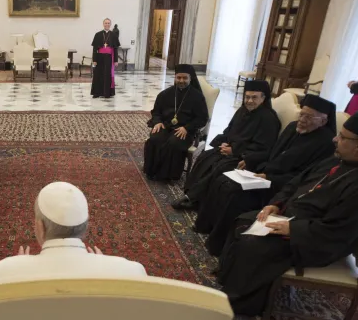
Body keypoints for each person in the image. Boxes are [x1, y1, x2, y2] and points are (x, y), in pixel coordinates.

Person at [217, 110, 358, 316]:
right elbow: (296, 183)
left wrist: (292, 228)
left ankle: (240, 304)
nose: (334, 139)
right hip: (294, 219)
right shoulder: (336, 161)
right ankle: (230, 279)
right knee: (243, 221)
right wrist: (277, 204)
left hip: (316, 241)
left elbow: (342, 231)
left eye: (341, 136)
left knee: (254, 244)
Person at [195, 94, 337, 256]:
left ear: (323, 121)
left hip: (278, 187)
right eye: (302, 114)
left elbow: (305, 178)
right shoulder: (292, 127)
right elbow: (273, 152)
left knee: (235, 194)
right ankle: (208, 227)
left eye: (309, 117)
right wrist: (251, 160)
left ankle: (220, 245)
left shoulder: (326, 144)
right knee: (223, 180)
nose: (302, 120)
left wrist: (269, 178)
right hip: (263, 175)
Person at [0, 182, 147, 282]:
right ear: (85, 227)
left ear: (40, 227)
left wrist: (15, 267)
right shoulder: (132, 272)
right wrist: (107, 267)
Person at [173, 80, 280, 211]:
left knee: (219, 167)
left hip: (245, 158)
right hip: (230, 149)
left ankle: (193, 199)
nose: (249, 101)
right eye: (247, 97)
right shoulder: (242, 110)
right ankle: (192, 195)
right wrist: (225, 141)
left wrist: (235, 151)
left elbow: (264, 147)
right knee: (205, 157)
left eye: (254, 97)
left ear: (263, 98)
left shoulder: (268, 119)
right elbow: (229, 130)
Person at [143, 64, 209, 181]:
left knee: (174, 142)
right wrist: (157, 122)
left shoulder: (197, 97)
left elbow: (202, 118)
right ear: (175, 78)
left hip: (185, 129)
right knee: (155, 138)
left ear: (190, 78)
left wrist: (187, 128)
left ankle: (168, 175)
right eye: (178, 78)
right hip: (166, 126)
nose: (181, 81)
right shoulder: (165, 94)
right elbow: (156, 111)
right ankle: (152, 171)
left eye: (185, 78)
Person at [91, 18, 121, 99]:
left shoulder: (113, 35)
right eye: (105, 23)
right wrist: (94, 60)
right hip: (99, 57)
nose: (107, 24)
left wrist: (115, 60)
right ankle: (97, 93)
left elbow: (115, 49)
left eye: (108, 23)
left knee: (107, 75)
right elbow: (95, 49)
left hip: (109, 58)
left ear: (110, 24)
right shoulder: (98, 34)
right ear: (103, 24)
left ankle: (107, 93)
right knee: (98, 74)